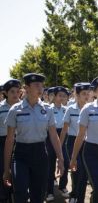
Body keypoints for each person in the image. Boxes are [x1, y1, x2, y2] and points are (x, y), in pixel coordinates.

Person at [3, 73, 64, 202]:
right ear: (26, 88)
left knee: (38, 194)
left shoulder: (47, 109)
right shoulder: (15, 110)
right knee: (20, 191)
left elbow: (53, 135)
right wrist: (6, 168)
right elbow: (9, 140)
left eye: (42, 85)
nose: (40, 88)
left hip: (40, 153)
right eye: (36, 85)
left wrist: (60, 158)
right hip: (21, 154)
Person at [60, 83, 91, 203]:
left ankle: (80, 198)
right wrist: (60, 148)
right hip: (72, 142)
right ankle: (74, 194)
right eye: (84, 94)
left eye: (88, 93)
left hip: (87, 142)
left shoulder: (92, 109)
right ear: (77, 95)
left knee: (84, 172)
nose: (87, 96)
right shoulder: (70, 109)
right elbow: (64, 130)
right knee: (76, 169)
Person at [46, 86, 70, 201]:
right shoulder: (48, 109)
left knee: (65, 161)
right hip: (51, 137)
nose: (62, 98)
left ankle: (63, 186)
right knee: (50, 165)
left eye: (64, 96)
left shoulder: (66, 109)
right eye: (60, 95)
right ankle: (49, 191)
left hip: (64, 137)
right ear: (54, 96)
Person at [0, 79, 22, 201]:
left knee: (18, 175)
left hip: (19, 143)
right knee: (4, 171)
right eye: (12, 91)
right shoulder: (1, 107)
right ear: (6, 93)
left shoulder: (25, 106)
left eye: (18, 91)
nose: (15, 94)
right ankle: (5, 197)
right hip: (2, 143)